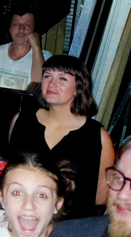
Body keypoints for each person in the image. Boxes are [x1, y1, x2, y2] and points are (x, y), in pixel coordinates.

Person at [9, 55, 115, 218]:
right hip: (21, 215)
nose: (52, 84)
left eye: (62, 78)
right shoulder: (21, 120)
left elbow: (101, 197)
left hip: (69, 226)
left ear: (78, 87)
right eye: (47, 76)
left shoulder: (97, 136)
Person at [0, 11, 51, 91]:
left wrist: (36, 46)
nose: (21, 29)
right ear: (10, 29)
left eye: (27, 25)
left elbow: (39, 88)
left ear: (35, 31)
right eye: (16, 24)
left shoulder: (45, 57)